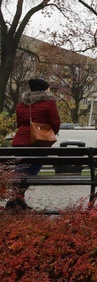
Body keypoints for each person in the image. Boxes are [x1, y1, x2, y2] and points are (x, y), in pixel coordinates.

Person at [7, 78, 61, 210]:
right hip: (38, 143)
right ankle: (17, 200)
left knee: (20, 171)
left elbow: (19, 123)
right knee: (31, 172)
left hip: (20, 142)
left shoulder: (21, 104)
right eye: (48, 88)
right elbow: (55, 122)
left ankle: (16, 200)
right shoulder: (49, 102)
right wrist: (51, 132)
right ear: (43, 89)